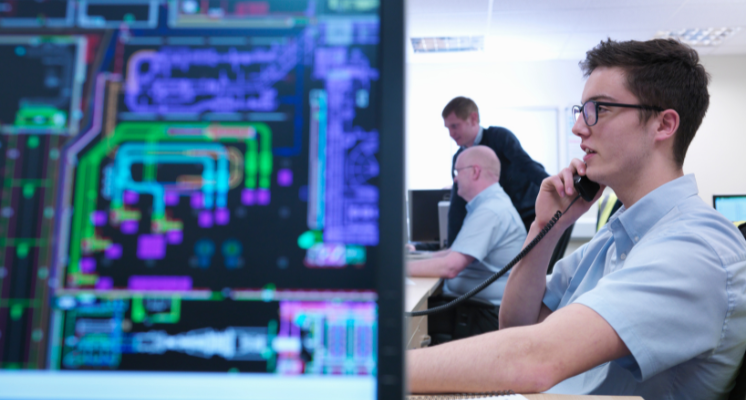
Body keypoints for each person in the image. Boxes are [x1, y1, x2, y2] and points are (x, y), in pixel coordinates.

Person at [408, 38, 746, 399]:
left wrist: (373, 368)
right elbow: (517, 324)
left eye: (598, 109)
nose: (579, 129)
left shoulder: (697, 249)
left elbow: (533, 359)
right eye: (580, 111)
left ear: (663, 125)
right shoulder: (617, 234)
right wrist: (545, 227)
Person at [408, 146, 526, 341]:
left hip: (481, 314)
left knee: (401, 321)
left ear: (475, 171)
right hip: (473, 307)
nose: (454, 179)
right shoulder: (488, 205)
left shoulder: (491, 211)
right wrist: (417, 257)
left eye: (457, 172)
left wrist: (396, 270)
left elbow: (451, 267)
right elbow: (454, 252)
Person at [443, 97, 548, 242]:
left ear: (473, 119)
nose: (451, 134)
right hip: (498, 222)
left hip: (527, 214)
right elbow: (458, 205)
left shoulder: (499, 138)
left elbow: (527, 165)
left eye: (454, 126)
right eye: (448, 128)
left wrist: (556, 188)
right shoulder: (459, 159)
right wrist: (451, 247)